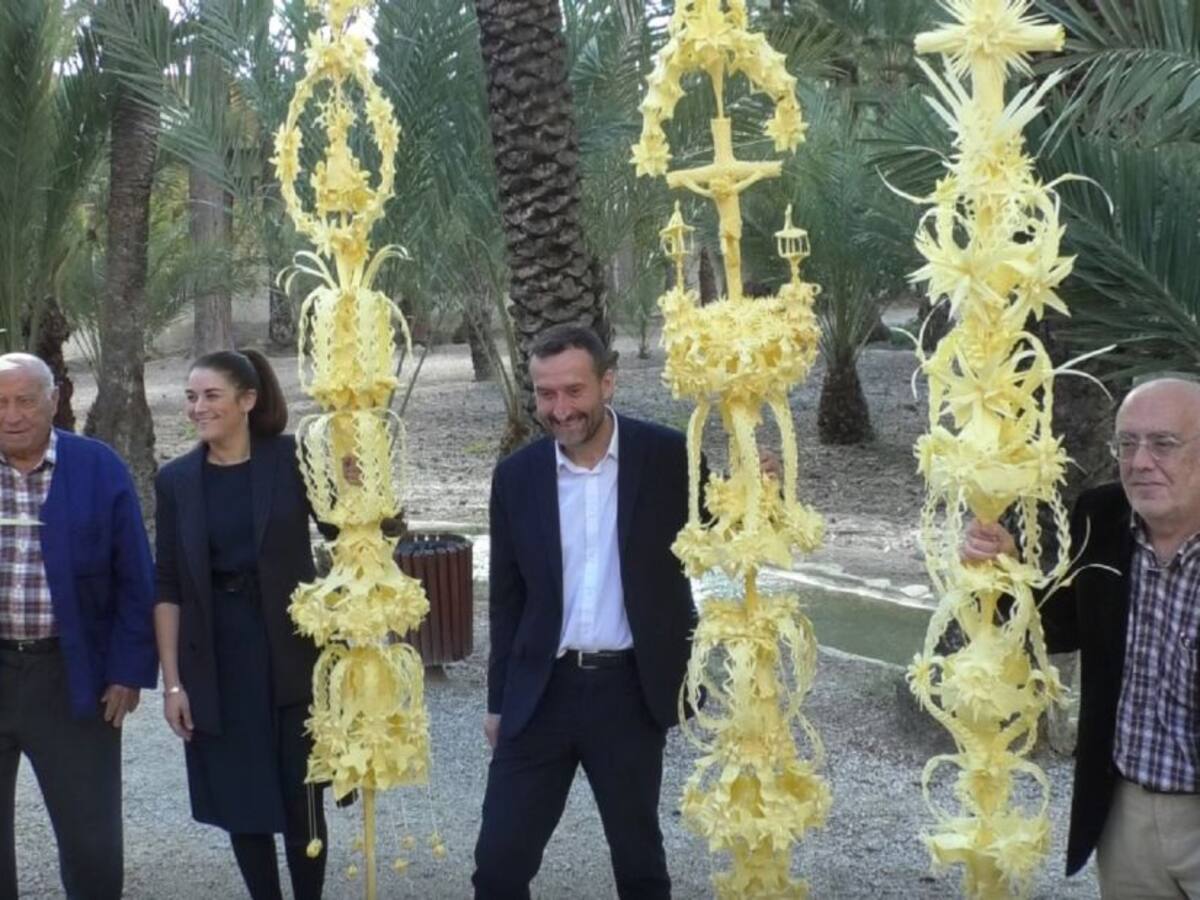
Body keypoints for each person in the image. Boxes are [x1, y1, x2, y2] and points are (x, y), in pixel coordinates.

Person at [473, 324, 705, 900]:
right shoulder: (516, 477)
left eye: (574, 391)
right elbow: (507, 599)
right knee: (498, 865)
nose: (560, 409)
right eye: (545, 393)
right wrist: (498, 701)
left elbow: (727, 536)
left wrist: (765, 488)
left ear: (608, 382)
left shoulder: (669, 457)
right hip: (540, 692)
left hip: (630, 691)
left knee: (639, 863)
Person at [964, 376, 1200, 897]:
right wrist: (1005, 571)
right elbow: (1060, 625)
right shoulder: (1102, 515)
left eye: (1163, 443)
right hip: (1124, 813)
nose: (1140, 462)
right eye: (1127, 443)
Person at [153, 349, 327, 900]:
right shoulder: (176, 480)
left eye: (211, 396)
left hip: (292, 649)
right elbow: (168, 585)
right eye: (191, 397)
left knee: (303, 800)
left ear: (247, 400)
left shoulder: (294, 458)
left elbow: (351, 532)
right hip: (217, 655)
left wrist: (359, 485)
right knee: (242, 800)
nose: (197, 408)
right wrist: (173, 684)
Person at [0, 352, 156, 900]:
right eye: (0, 403)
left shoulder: (97, 467)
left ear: (54, 399)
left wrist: (128, 671)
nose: (11, 415)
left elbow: (135, 577)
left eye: (24, 401)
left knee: (92, 842)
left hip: (72, 674)